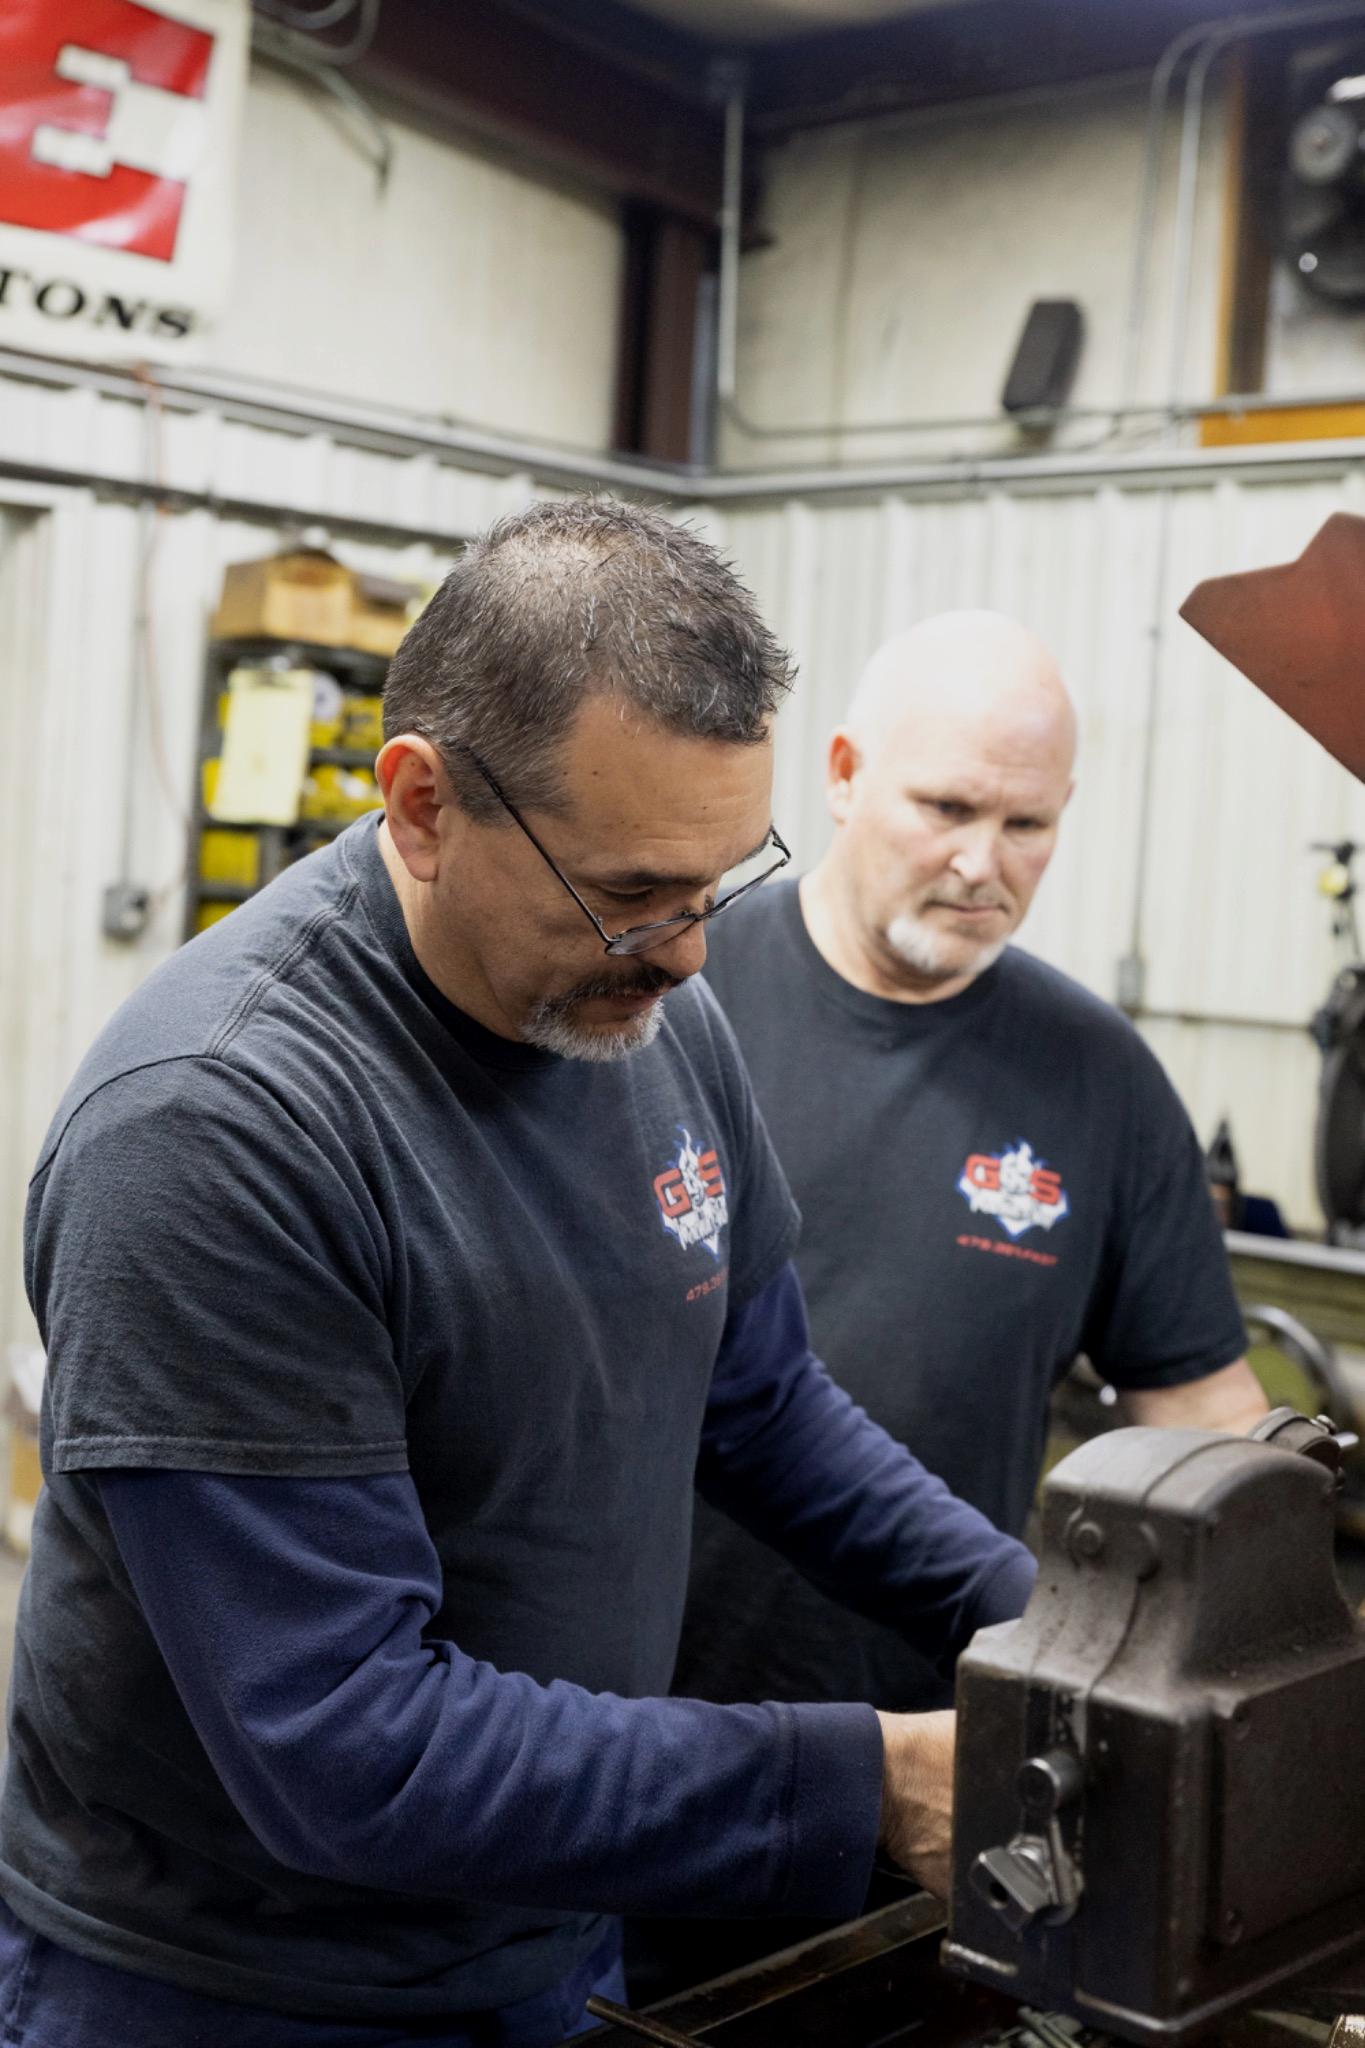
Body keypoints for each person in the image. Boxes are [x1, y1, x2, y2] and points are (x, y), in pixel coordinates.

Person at [1, 507, 1036, 2048]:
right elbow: (352, 1749)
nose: (687, 954)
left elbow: (758, 1409)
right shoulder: (218, 1132)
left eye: (717, 881)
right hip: (237, 1989)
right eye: (628, 891)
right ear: (420, 806)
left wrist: (1050, 1630)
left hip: (550, 1936)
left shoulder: (645, 1007)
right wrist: (864, 1782)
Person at [673, 610, 1267, 1724]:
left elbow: (1204, 1421)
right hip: (639, 1729)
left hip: (946, 1729)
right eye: (946, 807)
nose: (981, 861)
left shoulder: (1103, 1078)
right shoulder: (673, 1003)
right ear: (845, 774)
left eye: (1025, 821)